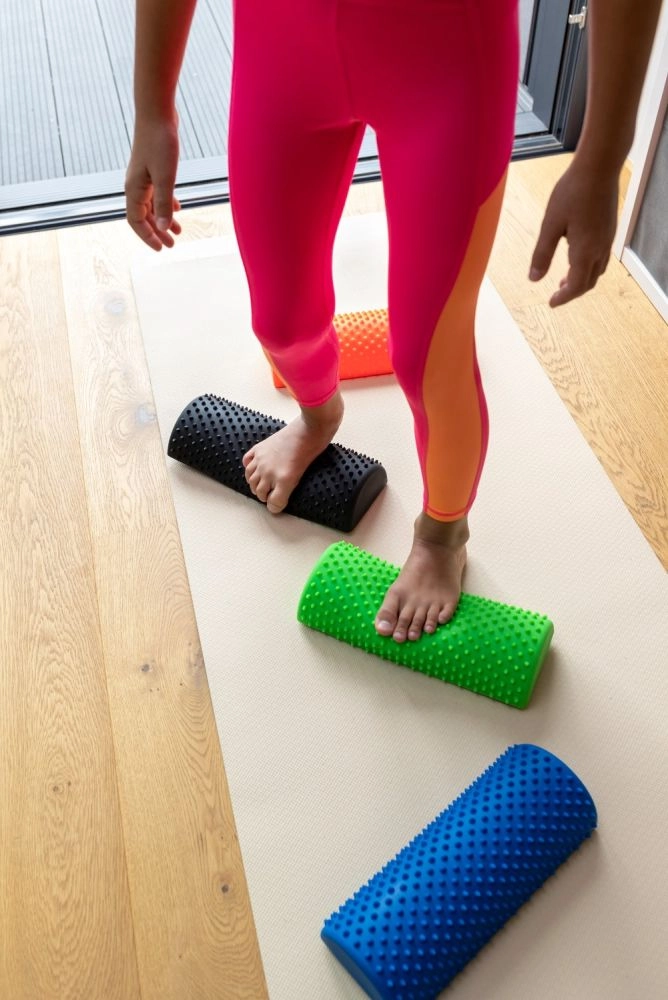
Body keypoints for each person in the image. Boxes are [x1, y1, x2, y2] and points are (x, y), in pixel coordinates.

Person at [126, 0, 663, 643]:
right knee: (281, 324)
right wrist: (153, 110)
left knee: (428, 358)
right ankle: (319, 416)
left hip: (447, 60)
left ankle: (442, 533)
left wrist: (601, 160)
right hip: (284, 43)